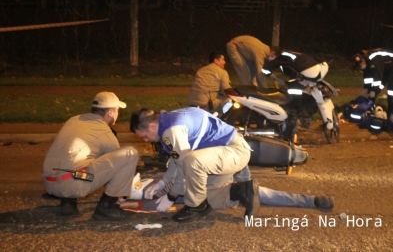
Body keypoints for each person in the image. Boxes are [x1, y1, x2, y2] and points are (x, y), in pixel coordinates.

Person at [130, 107, 259, 223]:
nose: (146, 140)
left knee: (192, 164)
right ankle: (242, 191)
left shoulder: (172, 131)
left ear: (152, 126)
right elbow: (177, 157)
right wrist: (164, 182)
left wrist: (171, 197)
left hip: (234, 152)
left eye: (145, 136)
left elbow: (184, 164)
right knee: (196, 190)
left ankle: (195, 206)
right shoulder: (169, 120)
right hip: (224, 155)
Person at [42, 91, 139, 220]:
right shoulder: (106, 133)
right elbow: (114, 172)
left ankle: (68, 203)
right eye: (117, 110)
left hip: (49, 182)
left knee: (77, 160)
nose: (118, 114)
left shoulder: (73, 120)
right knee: (130, 154)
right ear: (110, 112)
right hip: (70, 184)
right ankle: (106, 207)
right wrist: (121, 196)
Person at [119, 173, 335, 212]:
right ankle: (312, 201)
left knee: (264, 193)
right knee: (263, 194)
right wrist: (126, 204)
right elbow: (147, 206)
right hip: (217, 192)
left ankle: (311, 201)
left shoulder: (158, 179)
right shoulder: (152, 196)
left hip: (216, 181)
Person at [352, 48, 393, 122]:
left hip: (391, 66)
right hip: (387, 68)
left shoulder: (373, 60)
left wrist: (373, 90)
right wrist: (367, 88)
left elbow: (377, 77)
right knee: (375, 89)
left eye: (359, 66)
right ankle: (370, 106)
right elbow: (368, 77)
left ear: (363, 61)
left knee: (391, 91)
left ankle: (391, 112)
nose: (359, 69)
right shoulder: (367, 62)